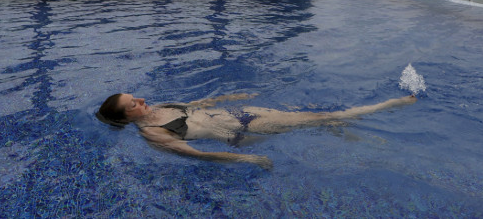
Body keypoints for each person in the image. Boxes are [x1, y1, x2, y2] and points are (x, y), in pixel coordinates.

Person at [98, 91, 416, 169]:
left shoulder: (161, 107)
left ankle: (344, 132)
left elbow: (198, 105)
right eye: (134, 104)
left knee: (312, 119)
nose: (142, 100)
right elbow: (198, 155)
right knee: (321, 117)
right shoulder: (154, 135)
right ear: (126, 119)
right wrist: (246, 160)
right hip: (243, 132)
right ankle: (388, 106)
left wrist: (229, 98)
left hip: (242, 113)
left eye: (136, 97)